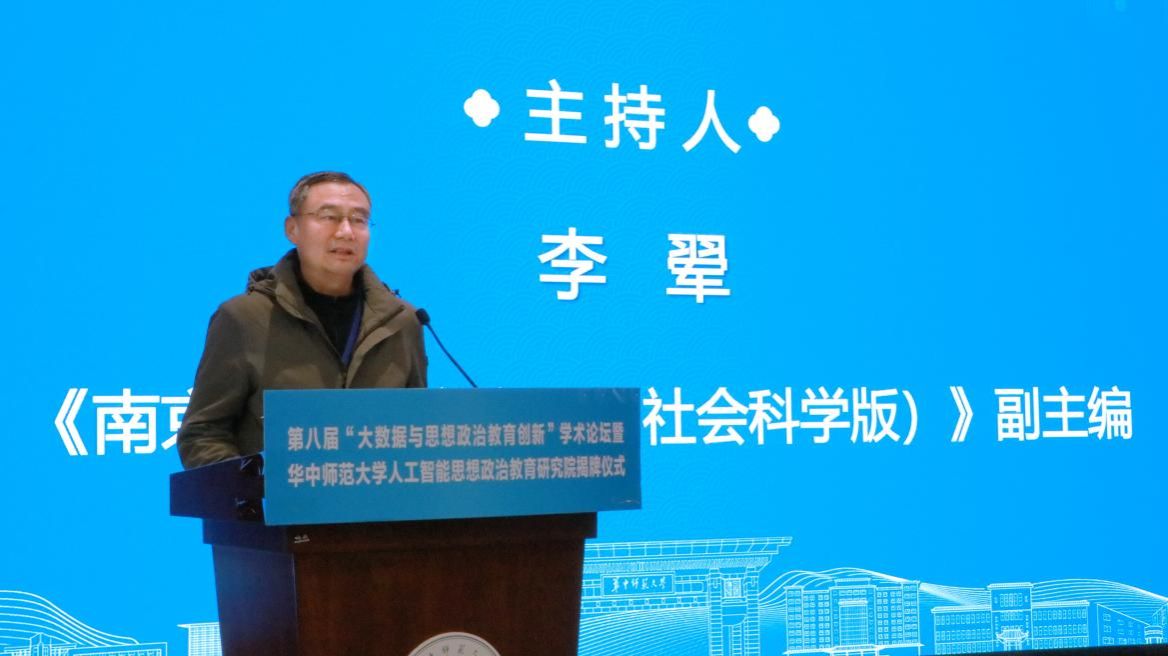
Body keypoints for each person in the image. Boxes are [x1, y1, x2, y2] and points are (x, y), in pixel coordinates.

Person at [177, 171, 427, 469]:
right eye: (329, 217)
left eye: (359, 220)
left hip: (376, 496)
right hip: (274, 498)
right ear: (292, 229)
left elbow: (418, 433)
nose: (346, 232)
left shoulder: (402, 321)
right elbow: (202, 434)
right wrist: (257, 487)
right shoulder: (244, 318)